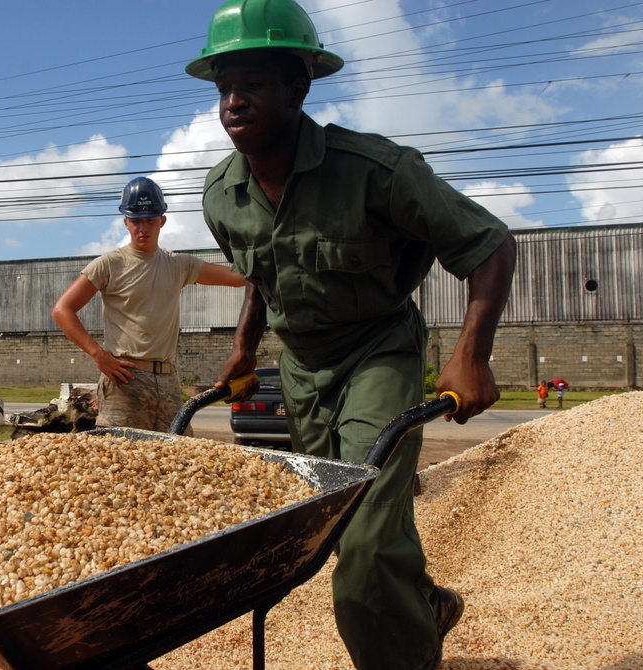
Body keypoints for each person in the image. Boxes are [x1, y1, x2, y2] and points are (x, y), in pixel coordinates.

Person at [185, 1, 517, 668]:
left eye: (251, 82)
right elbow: (262, 273)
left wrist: (469, 355)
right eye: (224, 87)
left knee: (360, 549)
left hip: (377, 354)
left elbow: (489, 244)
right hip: (304, 372)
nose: (232, 101)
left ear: (298, 86)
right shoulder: (222, 195)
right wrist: (245, 350)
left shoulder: (375, 172)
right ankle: (424, 605)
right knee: (345, 527)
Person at [51, 176, 246, 432]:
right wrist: (98, 355)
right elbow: (62, 310)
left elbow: (240, 278)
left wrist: (259, 248)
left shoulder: (179, 265)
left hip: (167, 380)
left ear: (162, 221)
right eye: (136, 221)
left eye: (150, 220)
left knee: (177, 455)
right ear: (126, 223)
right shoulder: (109, 265)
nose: (143, 228)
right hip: (125, 379)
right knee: (122, 458)